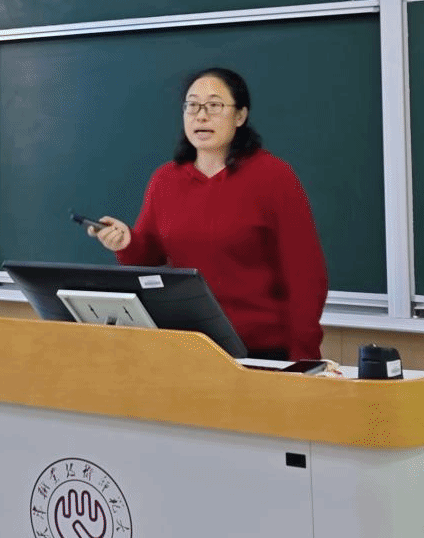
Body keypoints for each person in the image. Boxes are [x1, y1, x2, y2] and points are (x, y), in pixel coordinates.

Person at [88, 67, 328, 360]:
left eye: (214, 106)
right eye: (192, 105)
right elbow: (149, 257)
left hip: (260, 351)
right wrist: (126, 242)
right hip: (188, 346)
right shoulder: (165, 180)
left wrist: (304, 358)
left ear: (240, 116)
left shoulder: (274, 177)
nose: (201, 116)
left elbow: (306, 276)